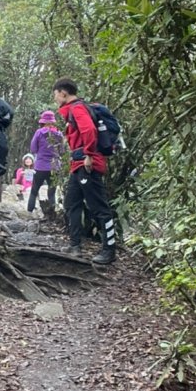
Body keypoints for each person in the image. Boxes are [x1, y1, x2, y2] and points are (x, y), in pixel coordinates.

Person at [53, 78, 116, 265]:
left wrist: (88, 154)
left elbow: (89, 130)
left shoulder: (77, 108)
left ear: (63, 93)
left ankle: (109, 250)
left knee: (99, 207)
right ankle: (75, 245)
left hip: (87, 163)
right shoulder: (74, 109)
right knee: (72, 202)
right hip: (78, 164)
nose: (55, 99)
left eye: (56, 95)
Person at [27, 110, 64, 214]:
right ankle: (52, 214)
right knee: (51, 193)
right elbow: (62, 151)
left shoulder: (39, 132)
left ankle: (29, 213)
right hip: (54, 167)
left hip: (40, 167)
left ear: (43, 121)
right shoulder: (59, 133)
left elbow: (33, 149)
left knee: (34, 191)